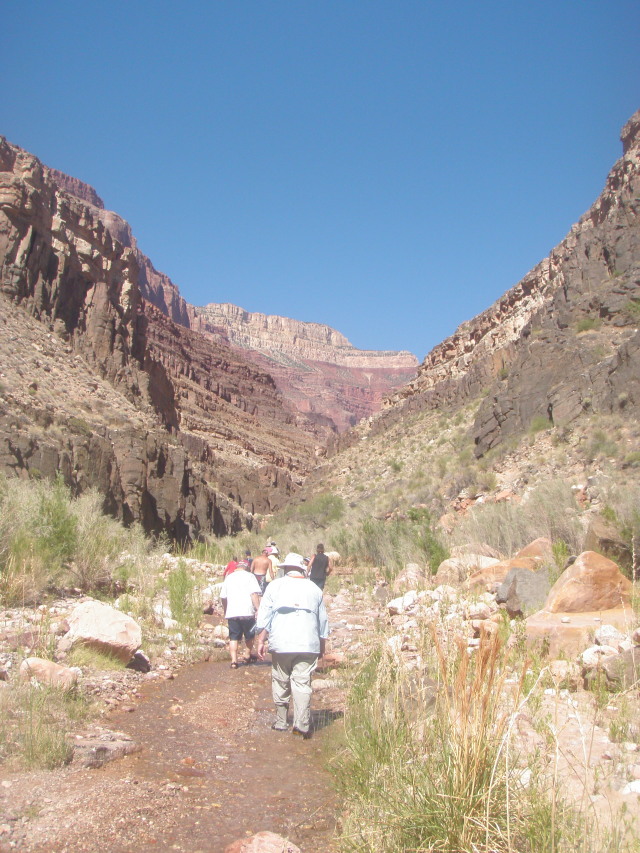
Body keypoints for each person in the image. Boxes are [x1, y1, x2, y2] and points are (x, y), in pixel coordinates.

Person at [255, 552, 330, 739]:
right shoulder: (314, 589)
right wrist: (322, 646)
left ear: (285, 569)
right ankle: (301, 725)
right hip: (308, 643)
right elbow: (323, 622)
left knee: (281, 680)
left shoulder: (275, 586)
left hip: (281, 642)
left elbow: (265, 617)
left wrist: (261, 640)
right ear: (302, 569)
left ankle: (281, 722)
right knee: (302, 683)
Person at [220, 559, 261, 668]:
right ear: (247, 567)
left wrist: (225, 610)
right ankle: (247, 655)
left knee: (233, 637)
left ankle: (234, 661)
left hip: (232, 612)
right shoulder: (250, 576)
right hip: (247, 612)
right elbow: (254, 594)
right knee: (250, 636)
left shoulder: (229, 577)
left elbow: (223, 597)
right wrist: (258, 609)